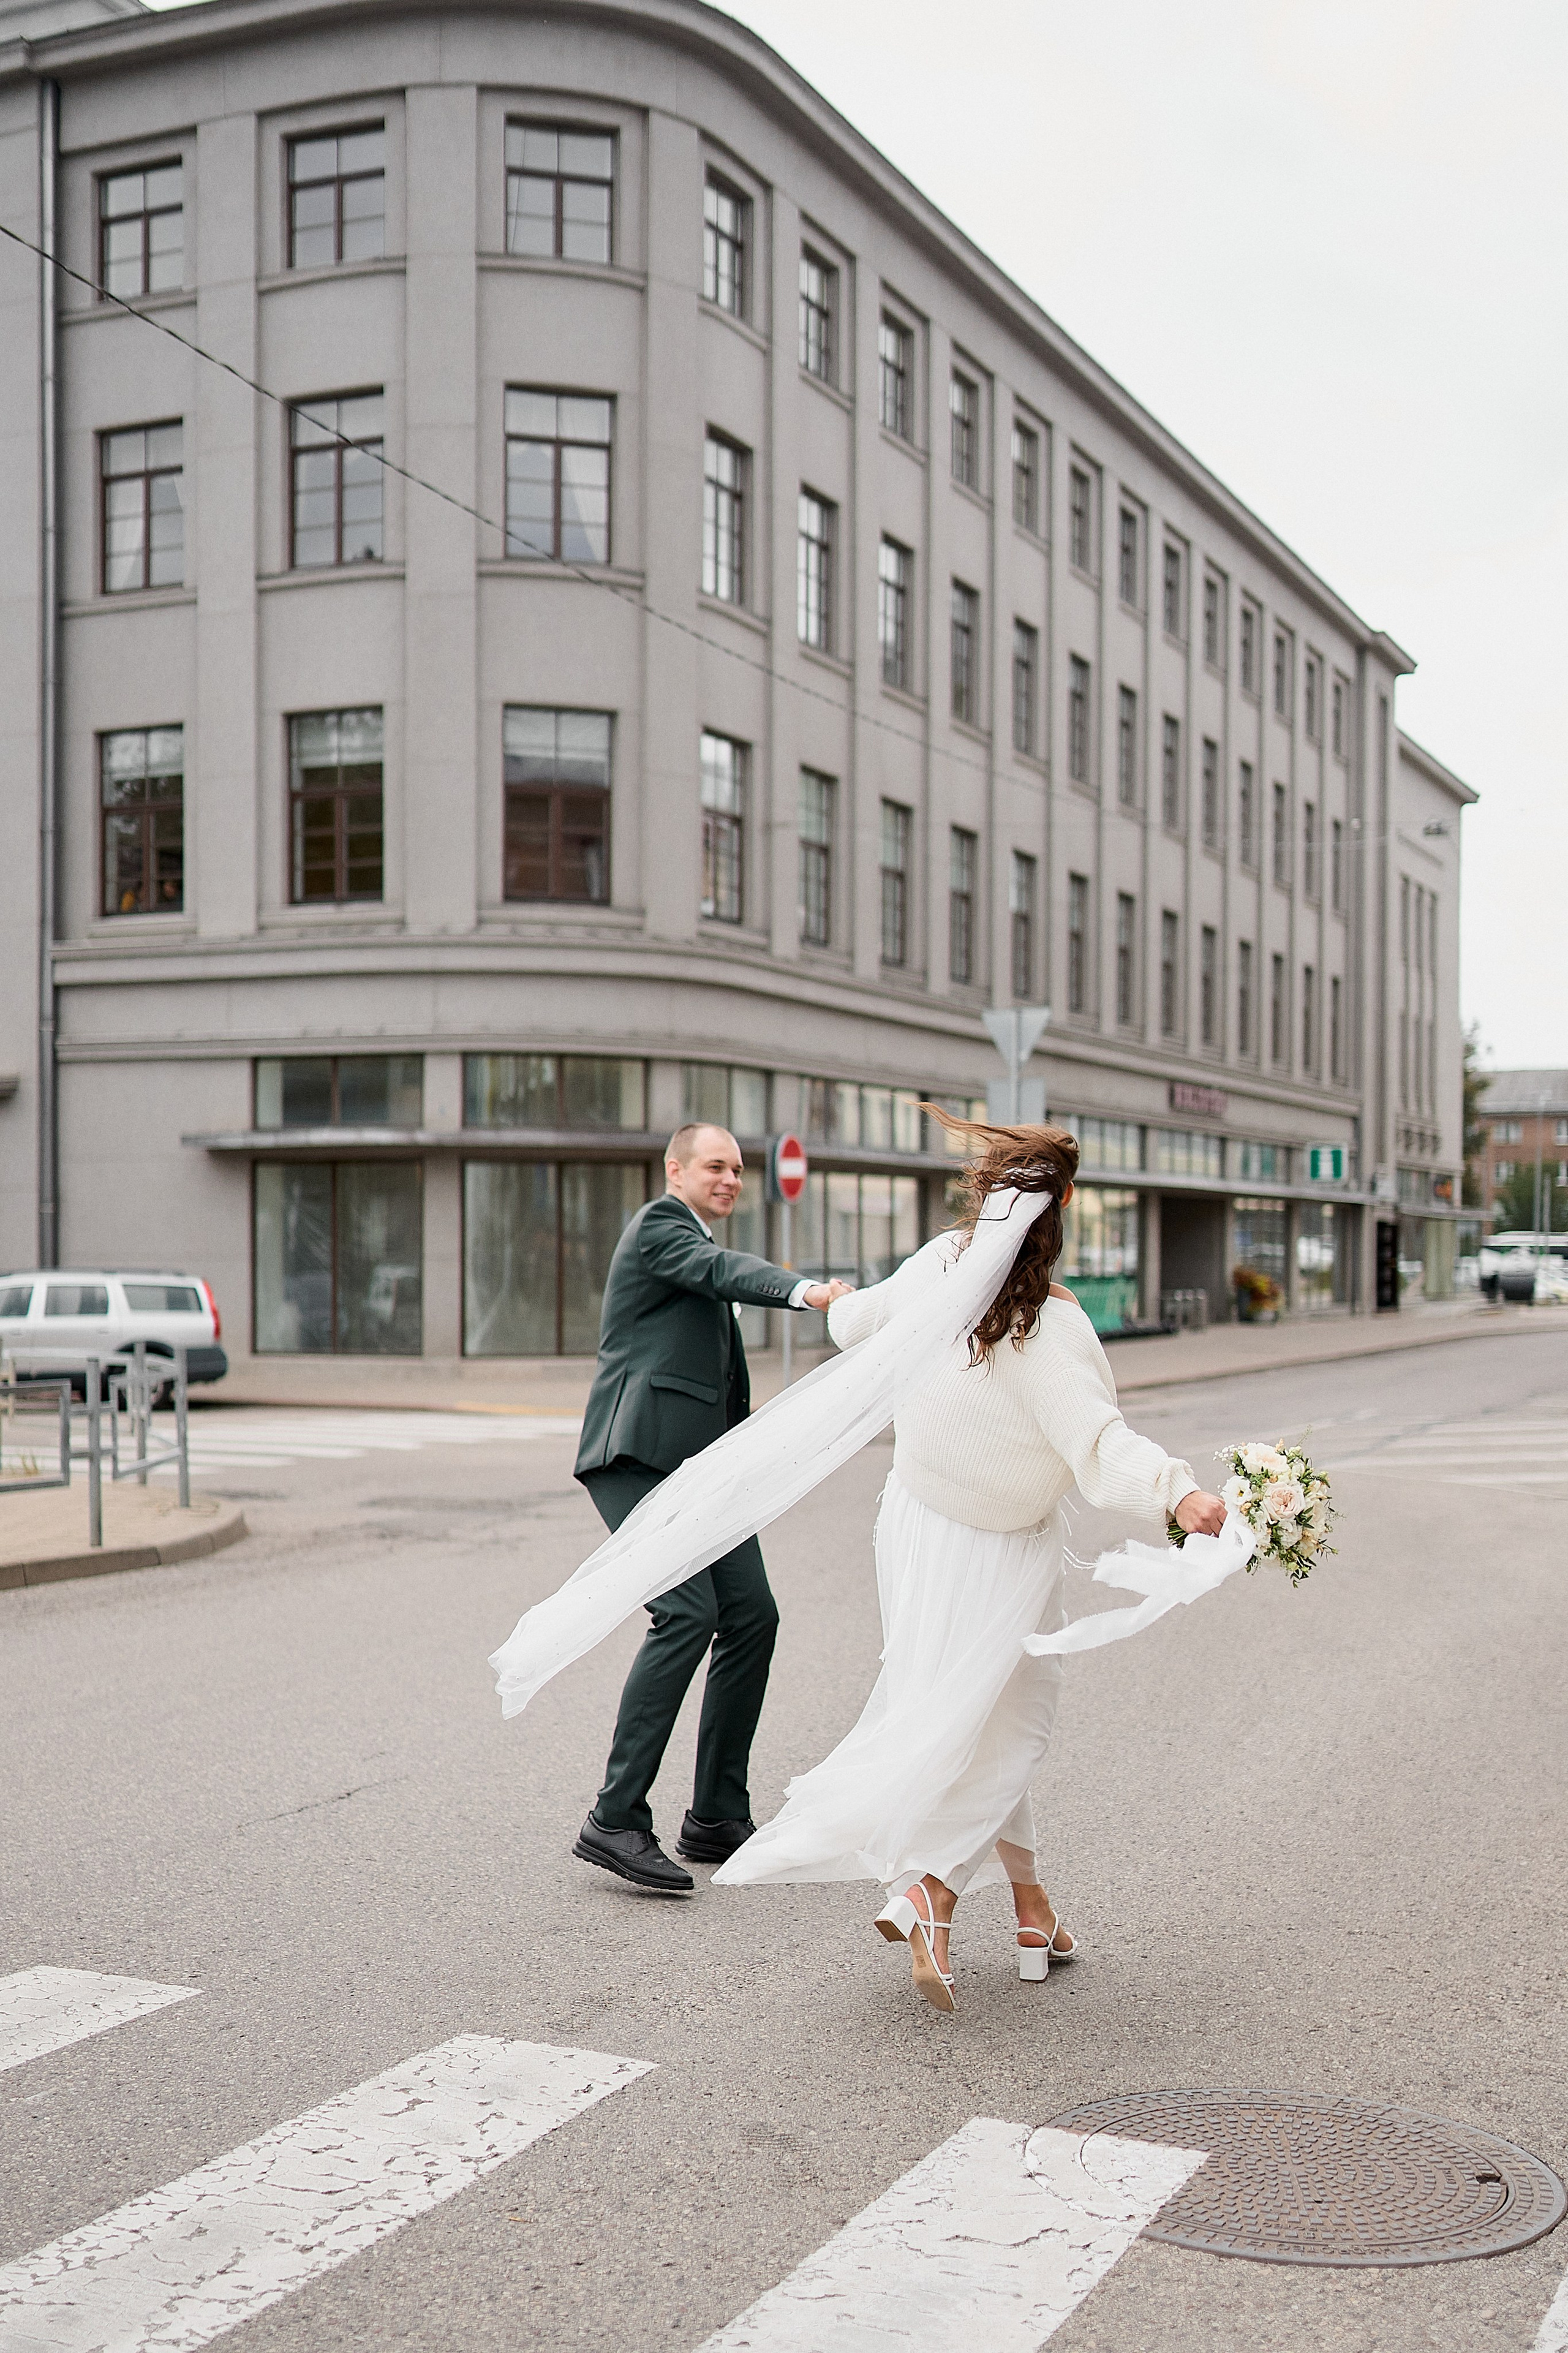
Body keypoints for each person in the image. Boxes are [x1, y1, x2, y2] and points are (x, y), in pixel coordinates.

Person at [714, 1114, 1226, 2014]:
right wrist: (1181, 1494)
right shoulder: (1054, 1330)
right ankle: (932, 1890)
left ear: (988, 1203)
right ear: (1064, 1206)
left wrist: (835, 1301)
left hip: (914, 1528)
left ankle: (1035, 1914)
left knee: (963, 1714)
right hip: (1000, 1549)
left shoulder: (938, 1266)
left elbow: (856, 1326)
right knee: (1010, 1729)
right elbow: (1102, 1449)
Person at [570, 1121, 852, 1895]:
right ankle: (615, 1817)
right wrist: (807, 1290)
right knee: (687, 1613)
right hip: (635, 1459)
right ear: (676, 1169)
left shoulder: (684, 1236)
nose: (730, 1179)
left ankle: (717, 1816)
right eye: (715, 1166)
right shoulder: (661, 1227)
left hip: (699, 1474)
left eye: (737, 1169)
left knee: (752, 1613)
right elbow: (719, 1268)